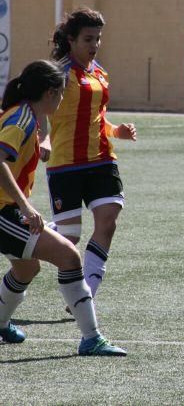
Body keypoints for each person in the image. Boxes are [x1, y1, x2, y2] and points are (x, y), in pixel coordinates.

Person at [0, 59, 126, 355]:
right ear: (49, 94)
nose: (62, 99)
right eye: (61, 93)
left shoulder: (28, 115)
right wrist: (26, 208)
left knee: (26, 268)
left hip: (7, 210)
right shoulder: (21, 120)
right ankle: (91, 338)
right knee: (69, 256)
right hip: (3, 212)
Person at [46, 7, 137, 304]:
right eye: (88, 39)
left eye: (98, 39)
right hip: (65, 165)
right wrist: (42, 139)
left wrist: (116, 132)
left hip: (101, 159)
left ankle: (85, 296)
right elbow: (37, 112)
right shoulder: (56, 74)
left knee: (109, 218)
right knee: (68, 239)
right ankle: (43, 231)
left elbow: (98, 119)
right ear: (71, 40)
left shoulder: (99, 72)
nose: (94, 45)